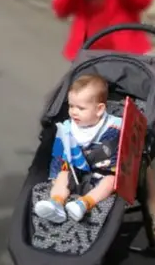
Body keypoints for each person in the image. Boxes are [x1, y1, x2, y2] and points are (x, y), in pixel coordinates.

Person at [52, 0, 155, 240]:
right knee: (84, 130)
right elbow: (62, 8)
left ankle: (154, 201)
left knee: (130, 135)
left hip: (126, 56)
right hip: (88, 58)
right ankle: (88, 200)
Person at [34, 75, 122, 223]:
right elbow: (59, 154)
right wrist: (55, 177)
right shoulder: (68, 128)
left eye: (80, 108)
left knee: (111, 181)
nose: (74, 112)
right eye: (71, 106)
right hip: (75, 173)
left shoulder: (114, 128)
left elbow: (120, 153)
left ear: (99, 109)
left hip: (101, 173)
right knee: (62, 175)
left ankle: (84, 203)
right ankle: (56, 202)